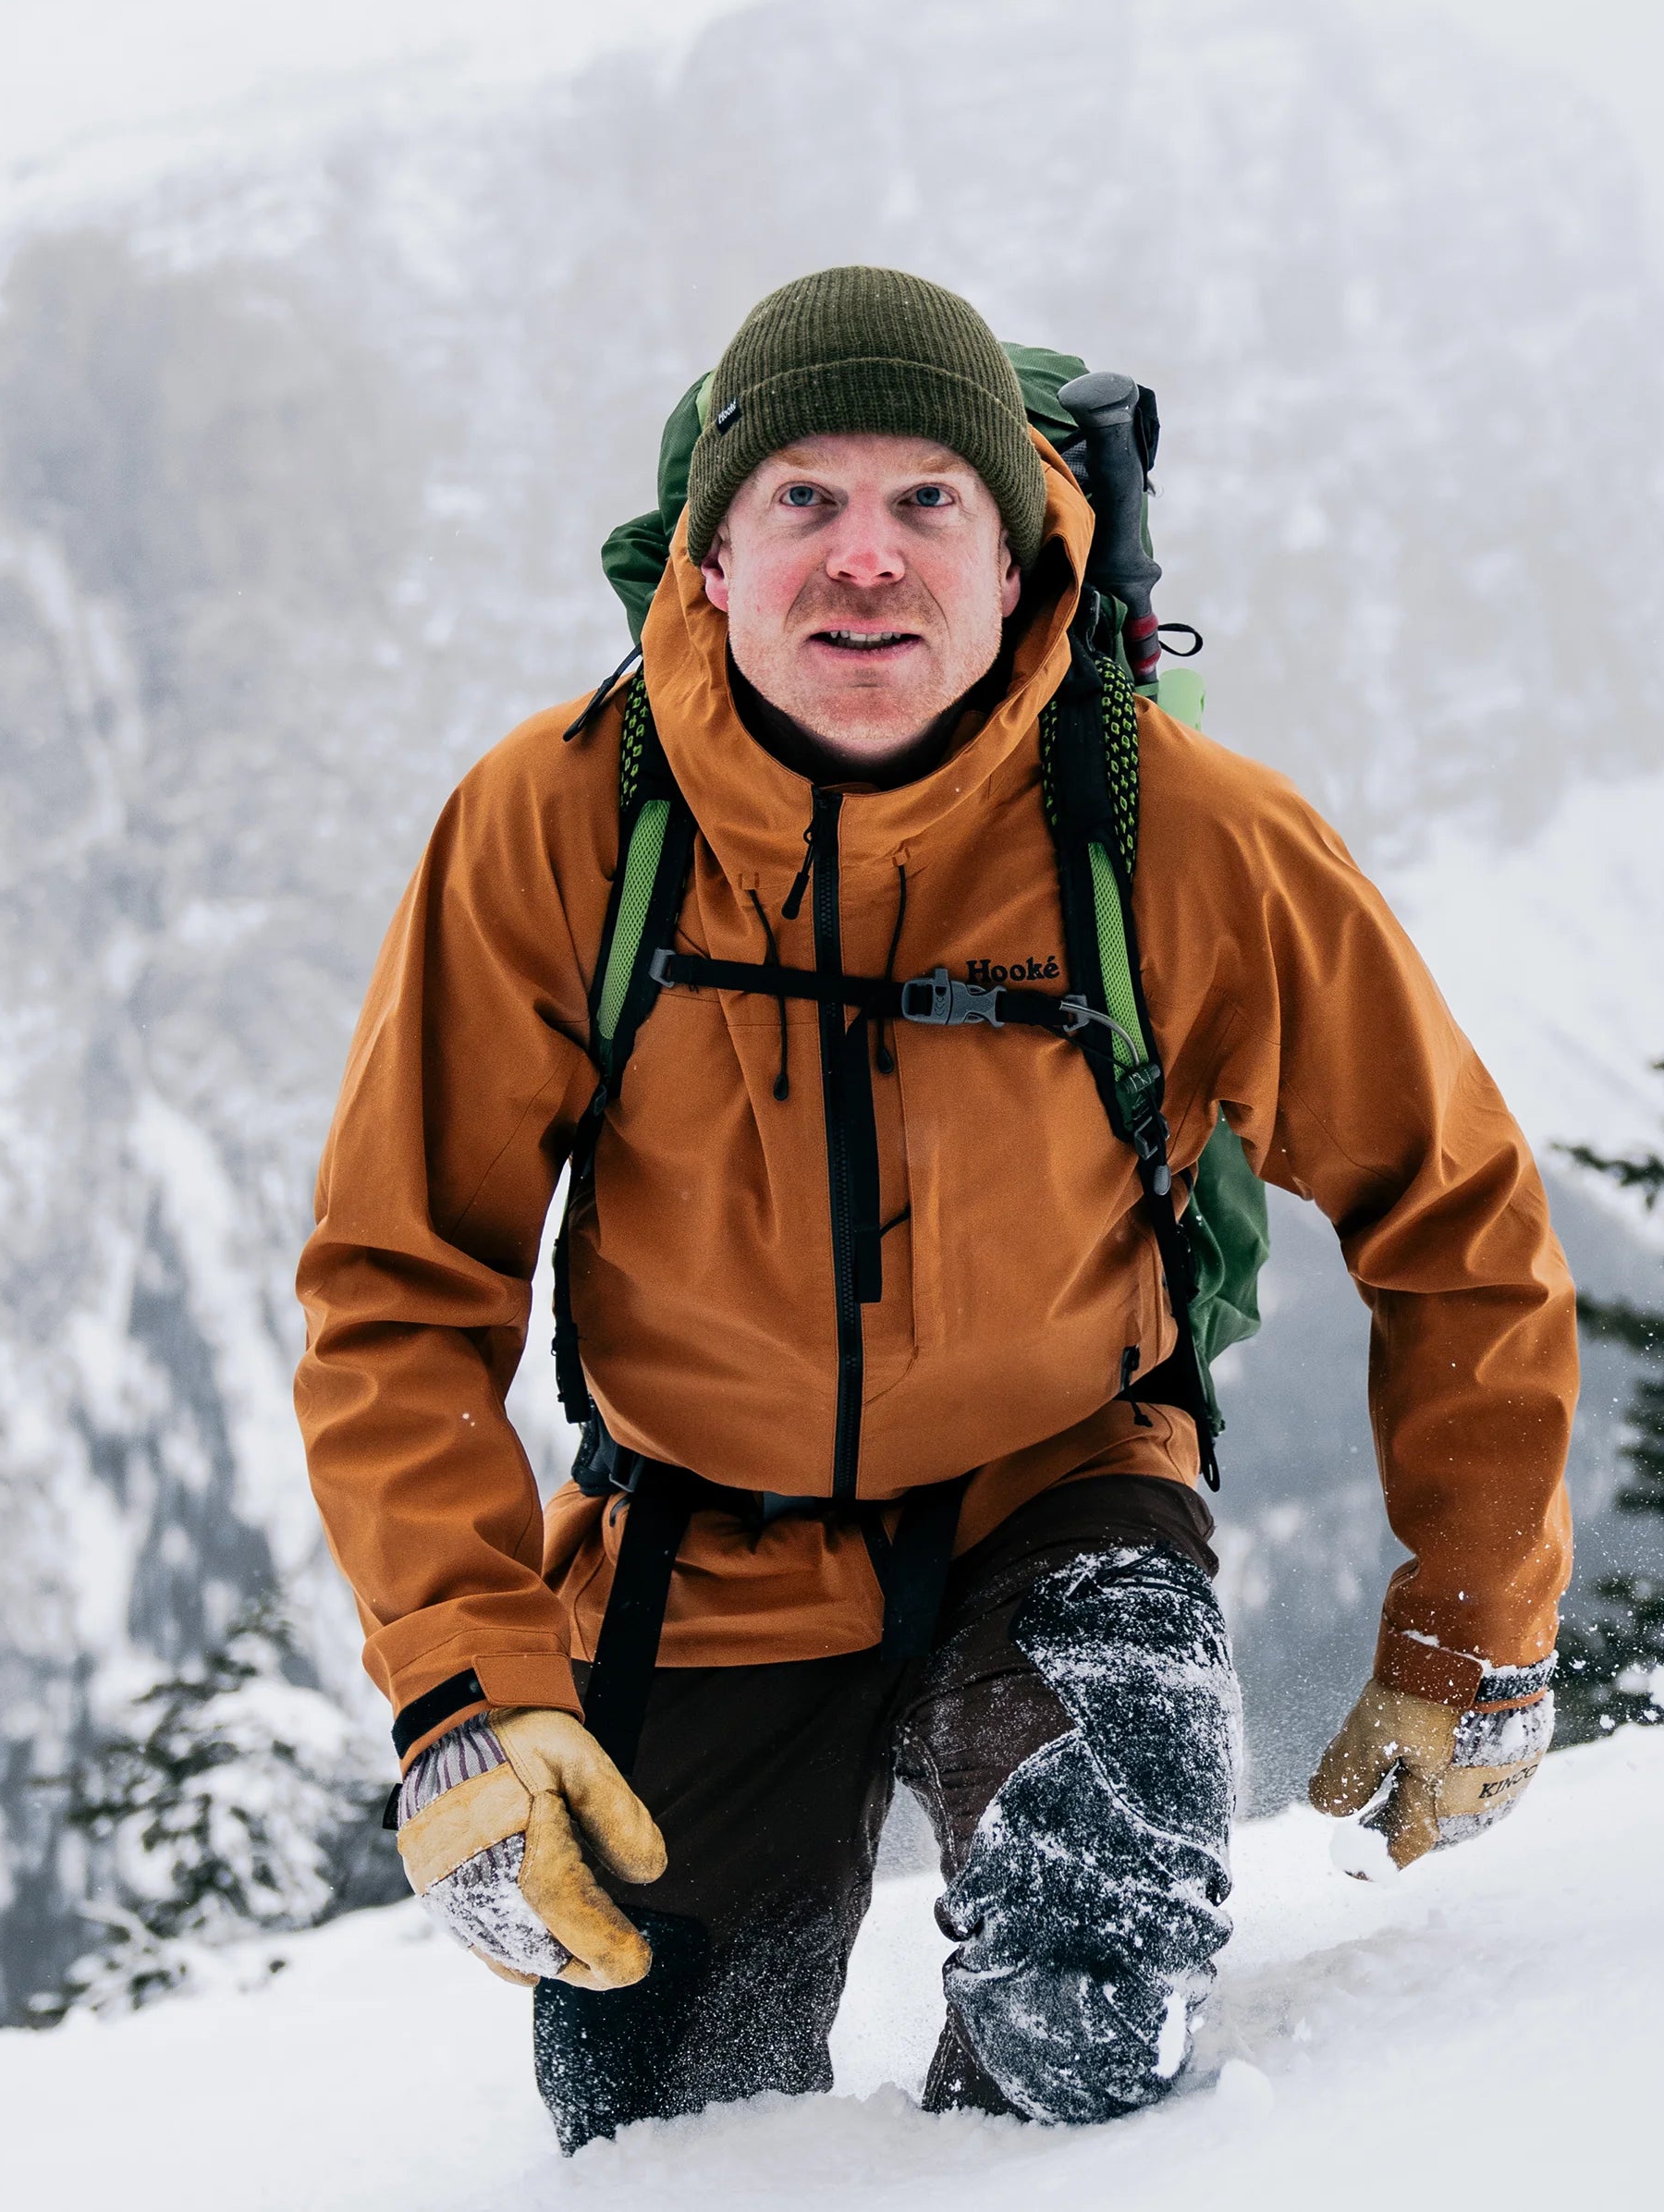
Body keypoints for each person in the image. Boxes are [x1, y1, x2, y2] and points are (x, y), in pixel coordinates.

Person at [295, 266, 1575, 2152]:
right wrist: (465, 1690)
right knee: (655, 2122)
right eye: (801, 498)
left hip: (1057, 1477)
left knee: (1086, 2021)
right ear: (710, 558)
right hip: (698, 1529)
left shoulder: (1178, 831)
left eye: (925, 503)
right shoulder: (558, 824)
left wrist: (1473, 1616)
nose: (863, 558)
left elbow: (1448, 1206)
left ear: (1014, 557)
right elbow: (400, 1288)